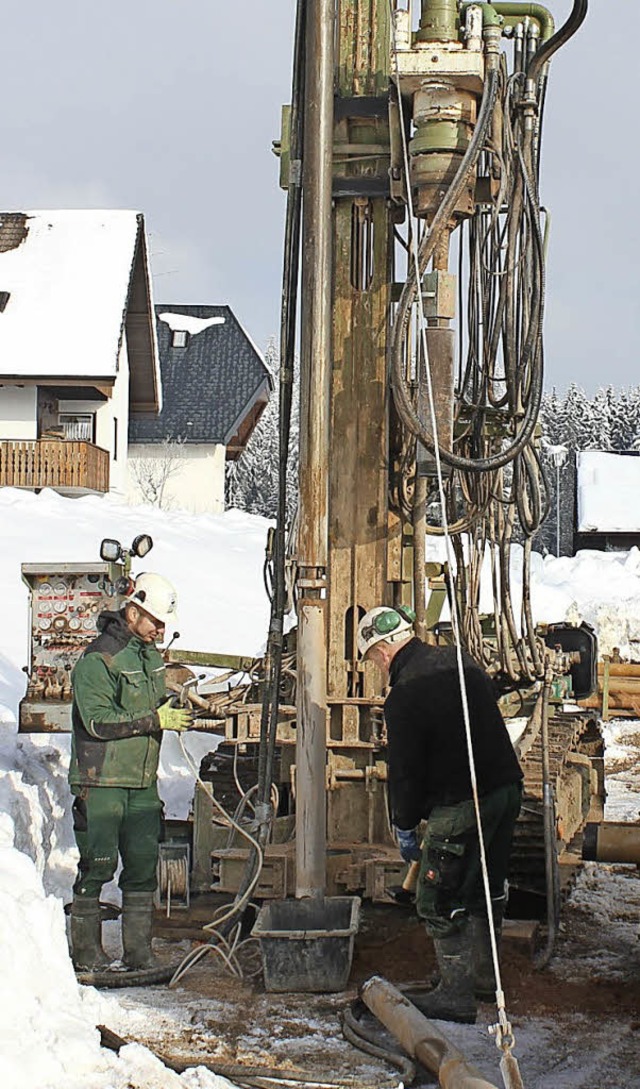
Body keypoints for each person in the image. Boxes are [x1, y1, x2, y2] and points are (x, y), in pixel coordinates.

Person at [357, 606, 523, 1023]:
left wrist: (406, 824)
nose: (376, 666)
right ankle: (484, 980)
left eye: (373, 658)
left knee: (437, 898)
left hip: (463, 803)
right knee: (487, 886)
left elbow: (406, 772)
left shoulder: (405, 694)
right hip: (506, 788)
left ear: (381, 649)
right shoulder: (458, 658)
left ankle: (455, 996)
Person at [68, 572, 192, 973]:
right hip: (102, 782)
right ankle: (86, 954)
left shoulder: (148, 655)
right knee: (97, 865)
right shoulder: (98, 659)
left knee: (141, 868)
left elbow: (152, 699)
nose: (160, 629)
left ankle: (139, 953)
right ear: (133, 610)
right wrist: (153, 719)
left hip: (141, 782)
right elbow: (98, 722)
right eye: (155, 621)